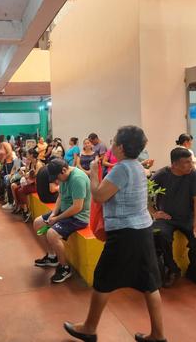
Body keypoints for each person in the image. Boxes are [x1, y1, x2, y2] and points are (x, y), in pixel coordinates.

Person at [63, 126, 166, 342]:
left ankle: (89, 328)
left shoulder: (122, 169)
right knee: (149, 283)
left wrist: (92, 173)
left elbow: (99, 196)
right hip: (142, 229)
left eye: (114, 142)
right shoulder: (137, 166)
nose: (111, 146)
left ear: (120, 147)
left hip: (125, 232)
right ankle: (158, 335)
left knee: (103, 278)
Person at [151, 148, 196, 289]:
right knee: (160, 235)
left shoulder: (193, 175)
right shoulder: (161, 175)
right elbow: (145, 193)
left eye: (191, 161)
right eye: (186, 162)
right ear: (174, 165)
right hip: (166, 218)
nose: (190, 165)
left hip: (188, 218)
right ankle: (172, 269)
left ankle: (195, 273)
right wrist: (153, 212)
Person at [33, 158, 91, 284]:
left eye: (57, 177)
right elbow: (60, 196)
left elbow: (77, 207)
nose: (56, 180)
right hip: (64, 211)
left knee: (52, 234)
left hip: (78, 216)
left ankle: (65, 267)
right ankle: (52, 257)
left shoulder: (77, 179)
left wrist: (57, 219)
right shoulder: (64, 176)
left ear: (64, 170)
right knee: (38, 223)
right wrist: (53, 214)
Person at [11, 148, 44, 221]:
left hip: (37, 185)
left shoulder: (38, 164)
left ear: (31, 155)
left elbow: (37, 176)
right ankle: (21, 207)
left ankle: (26, 211)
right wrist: (26, 166)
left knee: (21, 190)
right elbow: (27, 174)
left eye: (28, 154)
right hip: (30, 182)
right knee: (16, 189)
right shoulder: (31, 163)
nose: (26, 155)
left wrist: (27, 176)